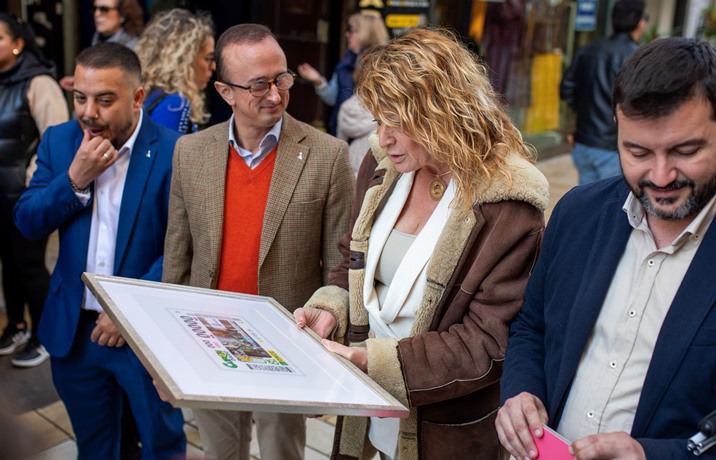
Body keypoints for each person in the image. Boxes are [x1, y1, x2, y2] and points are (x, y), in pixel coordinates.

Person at [294, 28, 549, 460]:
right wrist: (329, 309)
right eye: (378, 119)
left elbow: (486, 343)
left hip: (444, 426)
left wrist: (367, 362)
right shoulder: (382, 169)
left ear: (442, 112)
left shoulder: (508, 201)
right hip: (367, 406)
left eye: (397, 120)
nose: (383, 136)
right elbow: (351, 264)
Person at [496, 37, 716, 460]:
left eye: (685, 151)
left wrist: (654, 455)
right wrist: (521, 390)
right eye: (637, 152)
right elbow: (532, 326)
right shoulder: (577, 212)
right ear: (616, 124)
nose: (661, 175)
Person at [161, 24, 355, 460]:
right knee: (220, 452)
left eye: (281, 78)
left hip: (286, 347)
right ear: (225, 91)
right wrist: (167, 353)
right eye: (259, 85)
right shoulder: (190, 152)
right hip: (208, 342)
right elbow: (177, 256)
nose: (275, 94)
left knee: (281, 453)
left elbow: (339, 266)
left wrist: (325, 355)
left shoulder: (328, 156)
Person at [13, 42, 186, 459]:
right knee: (96, 447)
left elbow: (185, 248)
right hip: (75, 333)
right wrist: (74, 179)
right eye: (80, 98)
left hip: (144, 335)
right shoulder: (59, 142)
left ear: (138, 97)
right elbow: (28, 220)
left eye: (105, 100)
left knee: (161, 445)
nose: (89, 112)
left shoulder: (174, 151)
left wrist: (127, 308)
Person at [0, 13, 69, 367]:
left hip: (24, 197)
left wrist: (32, 182)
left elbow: (54, 138)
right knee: (7, 266)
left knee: (28, 265)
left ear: (18, 43)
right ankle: (16, 326)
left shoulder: (39, 83)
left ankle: (44, 335)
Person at [559, 0, 647, 184]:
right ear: (640, 22)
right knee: (609, 206)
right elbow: (644, 104)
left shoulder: (589, 49)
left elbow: (566, 89)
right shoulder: (638, 58)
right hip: (612, 147)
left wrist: (582, 116)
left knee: (588, 202)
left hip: (584, 143)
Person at [297, 12, 389, 135]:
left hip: (370, 136)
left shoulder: (385, 66)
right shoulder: (346, 62)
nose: (346, 34)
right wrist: (318, 80)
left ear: (365, 33)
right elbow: (335, 97)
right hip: (344, 133)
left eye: (351, 30)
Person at [136, 8, 215, 134]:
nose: (213, 66)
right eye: (208, 58)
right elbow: (166, 153)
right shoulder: (175, 105)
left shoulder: (149, 94)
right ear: (186, 60)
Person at [59, 0, 144, 91]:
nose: (97, 14)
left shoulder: (133, 47)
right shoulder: (98, 38)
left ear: (122, 15)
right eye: (94, 8)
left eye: (104, 9)